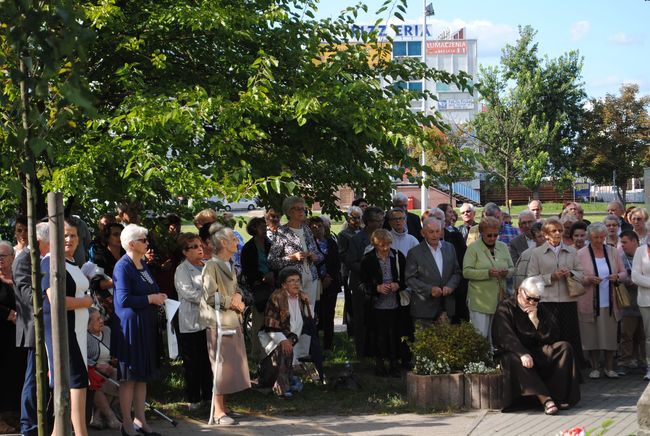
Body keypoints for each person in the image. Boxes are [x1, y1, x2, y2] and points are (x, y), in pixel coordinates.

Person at [492, 277, 580, 414]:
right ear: (520, 291)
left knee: (564, 347)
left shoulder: (540, 308)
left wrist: (536, 321)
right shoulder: (505, 307)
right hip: (514, 351)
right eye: (529, 298)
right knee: (516, 359)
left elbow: (553, 335)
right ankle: (545, 399)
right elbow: (504, 336)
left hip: (536, 349)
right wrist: (522, 353)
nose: (532, 302)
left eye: (536, 299)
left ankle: (558, 397)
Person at [112, 224, 167, 436]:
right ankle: (126, 424)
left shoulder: (142, 264)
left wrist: (157, 297)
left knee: (142, 376)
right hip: (131, 328)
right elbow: (123, 298)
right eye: (143, 240)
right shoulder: (122, 266)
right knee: (129, 377)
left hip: (146, 324)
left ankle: (140, 420)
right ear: (131, 244)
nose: (147, 243)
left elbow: (150, 289)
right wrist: (150, 299)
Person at [42, 217, 94, 436]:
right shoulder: (50, 261)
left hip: (79, 332)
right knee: (76, 383)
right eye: (64, 235)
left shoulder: (72, 261)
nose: (68, 239)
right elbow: (57, 300)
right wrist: (87, 302)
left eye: (73, 235)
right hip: (63, 332)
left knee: (78, 383)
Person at [200, 223, 250, 425]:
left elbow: (236, 288)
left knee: (230, 366)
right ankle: (218, 411)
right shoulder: (211, 266)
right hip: (219, 323)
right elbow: (210, 296)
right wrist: (232, 302)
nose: (237, 242)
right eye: (233, 239)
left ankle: (225, 407)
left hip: (232, 321)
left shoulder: (230, 265)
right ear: (223, 243)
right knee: (220, 366)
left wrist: (238, 296)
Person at [527, 218, 584, 369]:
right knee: (550, 338)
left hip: (568, 301)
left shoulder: (572, 251)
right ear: (545, 234)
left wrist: (570, 273)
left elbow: (581, 274)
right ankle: (552, 371)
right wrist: (551, 277)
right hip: (547, 301)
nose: (558, 233)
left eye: (560, 230)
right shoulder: (537, 253)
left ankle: (572, 373)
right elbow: (531, 279)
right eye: (553, 231)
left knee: (570, 338)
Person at [12, 221, 50, 436]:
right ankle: (29, 426)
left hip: (48, 327)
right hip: (34, 328)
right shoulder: (24, 260)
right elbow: (28, 296)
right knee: (33, 379)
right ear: (39, 241)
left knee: (41, 378)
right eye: (50, 241)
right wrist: (53, 297)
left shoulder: (46, 258)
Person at [576, 222, 627, 379]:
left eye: (602, 237)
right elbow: (576, 277)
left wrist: (617, 277)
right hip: (589, 301)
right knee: (591, 335)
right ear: (589, 237)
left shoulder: (612, 251)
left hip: (610, 301)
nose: (599, 240)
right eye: (596, 237)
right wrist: (588, 279)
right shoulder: (581, 253)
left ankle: (610, 367)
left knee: (610, 335)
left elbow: (624, 272)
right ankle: (594, 367)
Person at [259, 267, 315, 397]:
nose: (296, 284)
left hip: (293, 337)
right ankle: (280, 388)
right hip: (273, 336)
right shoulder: (277, 297)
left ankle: (288, 381)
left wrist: (308, 302)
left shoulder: (301, 297)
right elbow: (270, 323)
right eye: (291, 281)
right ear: (284, 284)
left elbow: (310, 319)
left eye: (298, 280)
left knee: (290, 350)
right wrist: (283, 340)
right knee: (284, 350)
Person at [359, 229, 407, 377]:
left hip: (395, 302)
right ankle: (379, 364)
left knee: (395, 334)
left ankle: (394, 364)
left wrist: (397, 285)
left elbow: (406, 278)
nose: (385, 248)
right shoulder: (368, 259)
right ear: (375, 245)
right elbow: (361, 284)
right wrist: (376, 288)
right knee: (378, 335)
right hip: (376, 304)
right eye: (381, 245)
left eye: (387, 244)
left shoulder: (398, 256)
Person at [174, 233, 213, 410]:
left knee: (207, 360)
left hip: (208, 320)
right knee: (192, 362)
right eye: (194, 247)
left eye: (200, 245)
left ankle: (209, 395)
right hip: (191, 321)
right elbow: (188, 292)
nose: (200, 249)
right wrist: (212, 298)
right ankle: (194, 398)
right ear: (185, 251)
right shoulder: (182, 270)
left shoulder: (207, 266)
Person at [268, 196, 323, 315]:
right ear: (288, 212)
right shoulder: (282, 232)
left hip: (311, 279)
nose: (301, 211)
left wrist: (315, 256)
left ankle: (308, 334)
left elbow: (319, 255)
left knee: (309, 314)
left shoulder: (307, 230)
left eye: (303, 209)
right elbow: (272, 261)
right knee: (295, 316)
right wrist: (292, 258)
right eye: (297, 209)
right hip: (293, 282)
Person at [463, 216, 515, 339]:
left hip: (499, 300)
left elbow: (513, 268)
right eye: (489, 235)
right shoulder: (473, 248)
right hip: (480, 300)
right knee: (481, 337)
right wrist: (487, 273)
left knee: (497, 337)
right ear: (481, 233)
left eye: (495, 235)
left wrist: (506, 272)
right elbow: (466, 272)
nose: (492, 238)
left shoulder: (502, 246)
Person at [406, 218, 461, 327]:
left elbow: (457, 272)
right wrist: (429, 290)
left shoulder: (450, 248)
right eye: (431, 232)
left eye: (437, 231)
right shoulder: (414, 252)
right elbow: (409, 279)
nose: (435, 235)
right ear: (423, 233)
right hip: (424, 309)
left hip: (446, 306)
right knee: (423, 344)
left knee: (445, 343)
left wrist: (450, 286)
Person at [345, 206, 385, 357]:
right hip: (361, 286)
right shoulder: (357, 238)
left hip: (381, 286)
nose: (381, 223)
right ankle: (362, 353)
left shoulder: (383, 236)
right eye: (377, 221)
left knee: (379, 320)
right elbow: (351, 262)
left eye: (382, 220)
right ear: (367, 221)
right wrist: (369, 269)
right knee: (361, 321)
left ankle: (379, 353)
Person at [0, 241, 25, 434]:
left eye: (3, 256)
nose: (0, 260)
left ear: (12, 258)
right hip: (2, 331)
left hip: (17, 336)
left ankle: (10, 414)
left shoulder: (19, 278)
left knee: (14, 374)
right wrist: (8, 314)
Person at [241, 217, 274, 361]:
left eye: (264, 226)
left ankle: (272, 351)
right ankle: (257, 353)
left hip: (273, 285)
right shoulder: (248, 248)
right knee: (259, 322)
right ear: (253, 229)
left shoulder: (269, 244)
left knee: (273, 320)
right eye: (260, 226)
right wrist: (261, 277)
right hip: (258, 287)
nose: (264, 228)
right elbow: (248, 270)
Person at [309, 216, 341, 351]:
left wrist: (328, 276)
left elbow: (336, 262)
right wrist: (321, 279)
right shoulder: (309, 244)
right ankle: (315, 345)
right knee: (316, 315)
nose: (318, 230)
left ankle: (328, 345)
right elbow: (310, 264)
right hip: (316, 284)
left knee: (329, 315)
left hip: (331, 283)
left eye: (320, 226)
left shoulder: (331, 242)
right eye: (314, 227)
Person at [86, 308, 121, 430]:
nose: (102, 321)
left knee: (122, 378)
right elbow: (81, 357)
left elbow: (113, 351)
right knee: (97, 381)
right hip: (92, 369)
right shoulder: (84, 336)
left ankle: (97, 416)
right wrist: (96, 366)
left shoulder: (107, 331)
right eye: (97, 319)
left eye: (101, 317)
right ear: (88, 323)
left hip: (109, 368)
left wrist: (114, 359)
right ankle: (111, 417)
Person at [618, 231, 645, 372]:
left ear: (635, 241)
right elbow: (620, 275)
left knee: (643, 334)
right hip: (628, 302)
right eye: (621, 242)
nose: (622, 246)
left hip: (645, 301)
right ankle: (625, 362)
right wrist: (630, 280)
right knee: (627, 334)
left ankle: (643, 361)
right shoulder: (621, 258)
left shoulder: (645, 255)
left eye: (625, 242)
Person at [91, 223, 125, 319]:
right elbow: (96, 284)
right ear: (107, 238)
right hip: (109, 304)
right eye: (115, 234)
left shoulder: (127, 254)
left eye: (121, 234)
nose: (119, 237)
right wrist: (119, 281)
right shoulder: (100, 256)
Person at [338, 205, 363, 335]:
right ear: (349, 219)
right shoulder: (343, 234)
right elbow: (342, 254)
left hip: (363, 272)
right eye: (355, 218)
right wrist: (355, 262)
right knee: (351, 304)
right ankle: (352, 332)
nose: (357, 221)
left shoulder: (364, 231)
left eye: (359, 218)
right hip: (349, 272)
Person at [631, 225, 650, 380]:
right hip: (646, 301)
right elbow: (635, 276)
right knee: (649, 336)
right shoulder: (641, 251)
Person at [513, 223, 546, 290]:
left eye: (545, 235)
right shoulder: (526, 254)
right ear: (533, 239)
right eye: (539, 236)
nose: (543, 239)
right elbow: (520, 277)